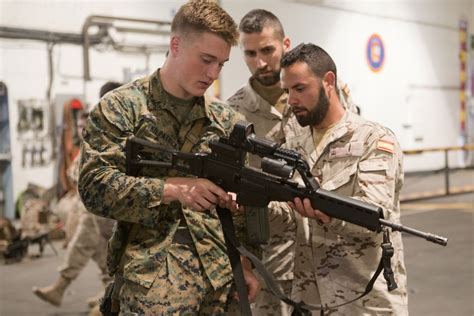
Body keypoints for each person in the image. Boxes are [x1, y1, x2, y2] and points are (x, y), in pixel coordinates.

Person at [78, 1, 259, 314]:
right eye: (206, 60)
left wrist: (245, 262)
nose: (213, 73)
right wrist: (172, 189)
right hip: (153, 288)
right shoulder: (121, 109)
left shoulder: (226, 121)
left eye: (221, 64)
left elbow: (238, 205)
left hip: (222, 285)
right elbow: (94, 187)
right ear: (176, 45)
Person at [227, 9, 359, 315]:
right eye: (249, 53)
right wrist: (243, 262)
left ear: (285, 43)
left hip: (328, 252)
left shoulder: (324, 97)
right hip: (270, 257)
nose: (260, 62)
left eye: (267, 50)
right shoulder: (234, 113)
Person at [280, 43, 408, 315]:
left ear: (328, 81)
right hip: (309, 299)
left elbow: (376, 215)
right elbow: (289, 217)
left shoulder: (374, 140)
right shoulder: (294, 142)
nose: (291, 100)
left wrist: (321, 210)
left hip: (365, 302)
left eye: (300, 88)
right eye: (287, 90)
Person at [32, 82, 121, 308]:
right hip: (98, 203)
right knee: (97, 244)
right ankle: (104, 290)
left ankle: (63, 286)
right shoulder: (102, 125)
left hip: (114, 205)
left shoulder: (124, 126)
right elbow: (78, 168)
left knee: (88, 237)